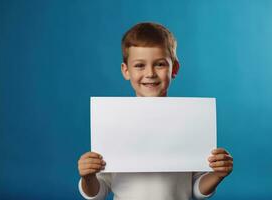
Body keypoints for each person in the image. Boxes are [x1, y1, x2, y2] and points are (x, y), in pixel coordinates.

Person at [78, 22, 233, 200]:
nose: (150, 73)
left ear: (174, 68)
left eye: (159, 64)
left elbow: (196, 189)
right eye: (139, 65)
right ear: (126, 70)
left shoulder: (189, 121)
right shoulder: (114, 122)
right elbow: (99, 192)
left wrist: (217, 174)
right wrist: (88, 176)